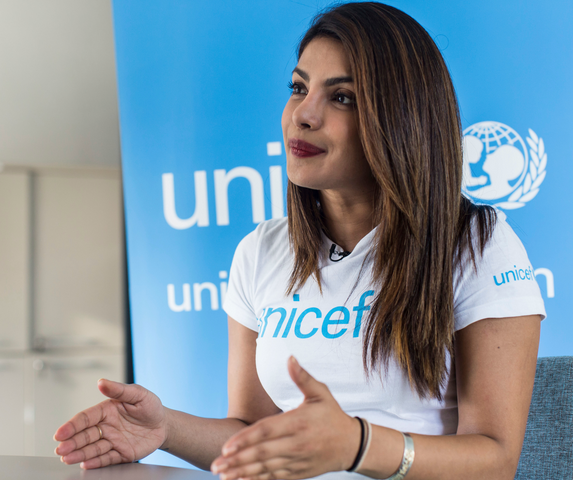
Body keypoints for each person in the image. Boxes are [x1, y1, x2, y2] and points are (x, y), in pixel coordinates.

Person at [54, 3, 545, 479]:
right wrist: (166, 428)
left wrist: (357, 446)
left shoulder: (479, 245)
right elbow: (254, 434)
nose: (303, 115)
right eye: (298, 88)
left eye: (342, 97)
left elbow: (495, 461)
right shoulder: (261, 251)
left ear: (402, 119)